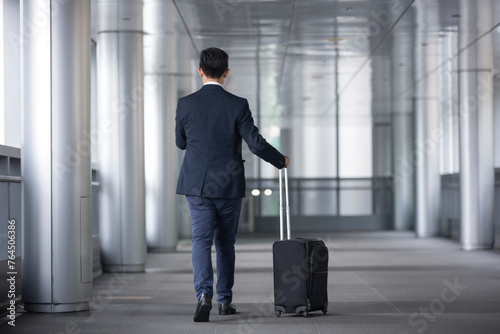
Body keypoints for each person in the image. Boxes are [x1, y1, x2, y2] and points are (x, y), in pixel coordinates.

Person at [175, 47, 290, 322]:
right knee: (226, 244)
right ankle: (225, 301)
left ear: (199, 70)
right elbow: (256, 143)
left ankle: (204, 295)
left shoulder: (185, 104)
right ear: (227, 73)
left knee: (201, 242)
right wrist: (280, 160)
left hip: (197, 186)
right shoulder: (238, 104)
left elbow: (180, 143)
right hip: (228, 186)